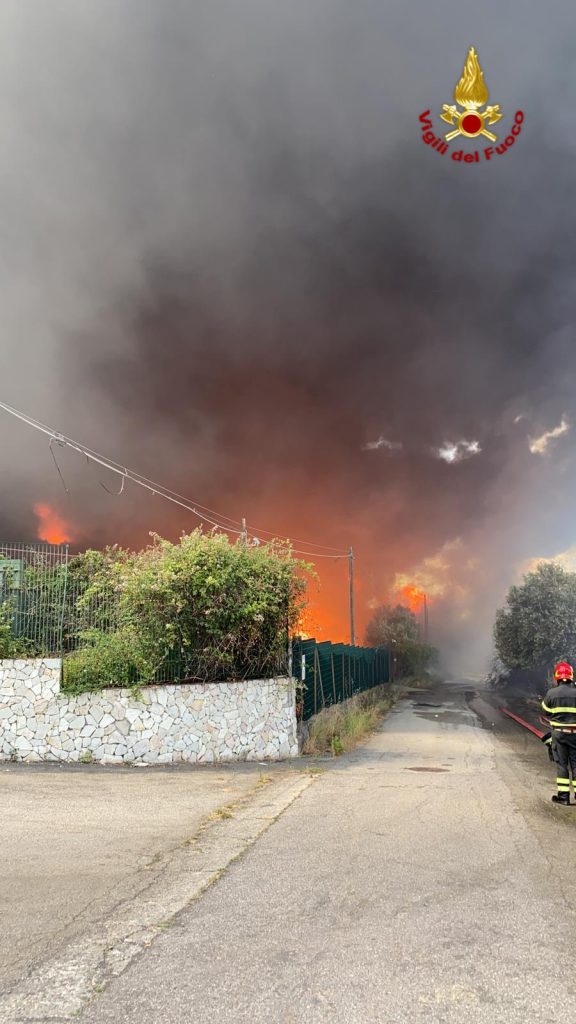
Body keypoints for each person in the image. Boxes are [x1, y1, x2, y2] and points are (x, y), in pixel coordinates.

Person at [542, 661, 576, 805]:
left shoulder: (552, 693)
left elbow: (546, 711)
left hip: (559, 735)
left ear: (557, 677)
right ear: (571, 676)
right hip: (575, 734)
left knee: (562, 765)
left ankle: (563, 798)